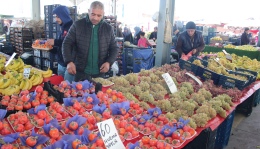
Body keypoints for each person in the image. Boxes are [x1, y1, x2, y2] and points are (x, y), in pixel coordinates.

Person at [62, 1, 119, 82]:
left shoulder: (108, 29)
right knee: (79, 93)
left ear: (103, 14)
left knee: (98, 94)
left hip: (99, 73)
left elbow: (114, 48)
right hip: (80, 72)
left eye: (99, 15)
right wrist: (69, 61)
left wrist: (109, 62)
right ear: (88, 11)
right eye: (93, 14)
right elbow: (66, 43)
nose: (95, 18)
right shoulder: (78, 25)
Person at [46, 5, 74, 82]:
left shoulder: (73, 28)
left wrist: (55, 42)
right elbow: (61, 47)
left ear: (63, 15)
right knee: (60, 85)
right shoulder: (62, 28)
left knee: (68, 88)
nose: (56, 19)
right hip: (61, 63)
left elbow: (70, 43)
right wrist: (50, 49)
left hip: (69, 64)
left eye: (58, 17)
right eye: (55, 17)